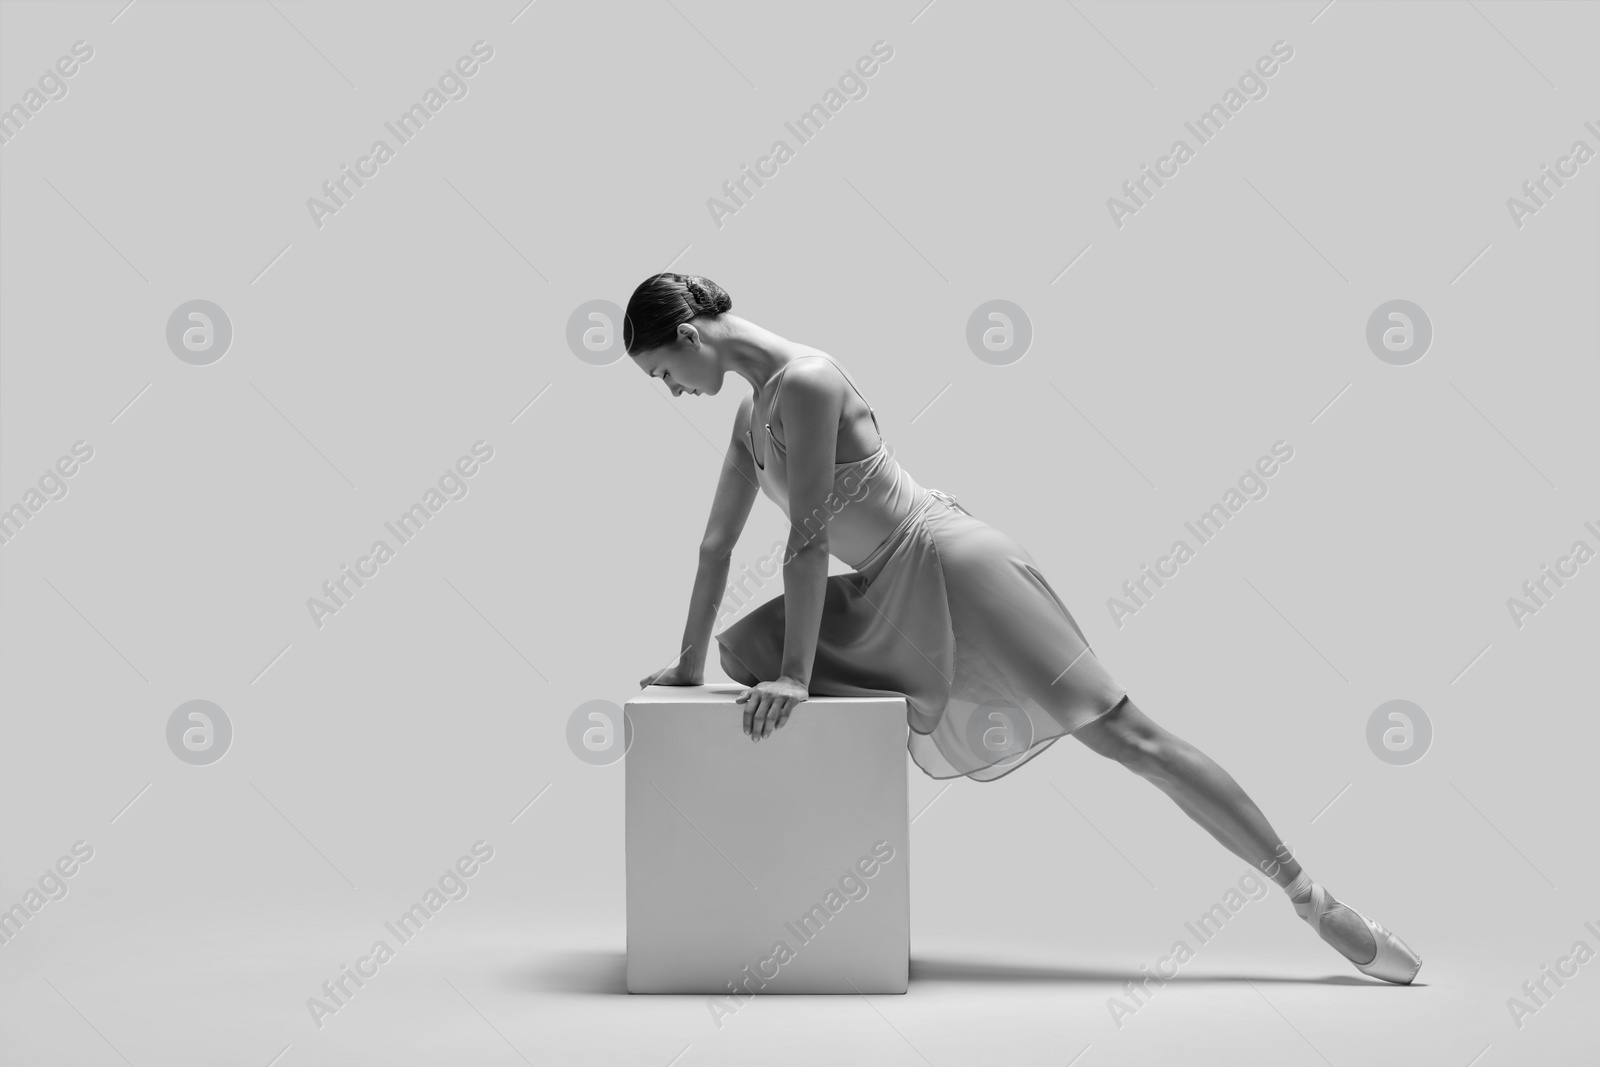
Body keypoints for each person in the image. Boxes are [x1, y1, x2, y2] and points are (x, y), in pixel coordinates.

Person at [626, 272, 1421, 985]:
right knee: (750, 647)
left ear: (690, 337)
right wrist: (691, 666)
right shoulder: (746, 418)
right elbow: (715, 543)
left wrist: (800, 677)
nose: (671, 391)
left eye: (664, 373)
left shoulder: (806, 381)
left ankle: (1311, 898)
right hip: (884, 589)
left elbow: (807, 538)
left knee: (1126, 737)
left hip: (955, 566)